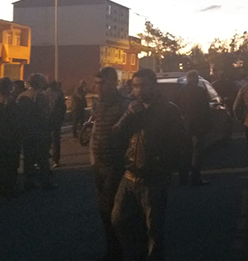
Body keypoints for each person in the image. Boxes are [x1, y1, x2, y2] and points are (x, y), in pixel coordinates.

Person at [111, 68, 185, 261]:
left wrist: (165, 165)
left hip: (154, 176)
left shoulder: (168, 110)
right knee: (118, 219)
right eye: (135, 86)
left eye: (143, 85)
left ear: (154, 85)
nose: (139, 90)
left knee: (154, 226)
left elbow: (179, 141)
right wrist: (128, 115)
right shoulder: (132, 109)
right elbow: (116, 135)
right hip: (129, 173)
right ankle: (137, 250)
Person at [90, 67, 130, 261]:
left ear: (113, 83)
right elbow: (96, 132)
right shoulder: (97, 104)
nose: (97, 87)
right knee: (104, 210)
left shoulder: (124, 105)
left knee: (114, 210)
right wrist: (92, 159)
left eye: (102, 83)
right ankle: (113, 249)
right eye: (96, 83)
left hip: (116, 163)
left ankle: (120, 250)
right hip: (99, 164)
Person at [16, 73, 54, 190]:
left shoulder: (22, 96)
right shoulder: (40, 96)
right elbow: (45, 113)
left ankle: (29, 182)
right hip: (39, 130)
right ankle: (46, 182)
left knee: (28, 158)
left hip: (26, 131)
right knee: (43, 158)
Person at [175, 70, 212, 186]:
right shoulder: (201, 91)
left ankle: (183, 178)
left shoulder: (180, 92)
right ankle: (196, 177)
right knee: (197, 152)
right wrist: (208, 125)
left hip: (184, 126)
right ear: (196, 79)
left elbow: (177, 109)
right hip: (198, 125)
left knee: (185, 153)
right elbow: (206, 110)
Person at [47, 81, 67, 167]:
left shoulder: (44, 94)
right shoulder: (59, 94)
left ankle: (44, 158)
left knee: (46, 139)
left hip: (46, 119)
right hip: (56, 119)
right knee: (56, 140)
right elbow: (63, 107)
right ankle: (56, 160)